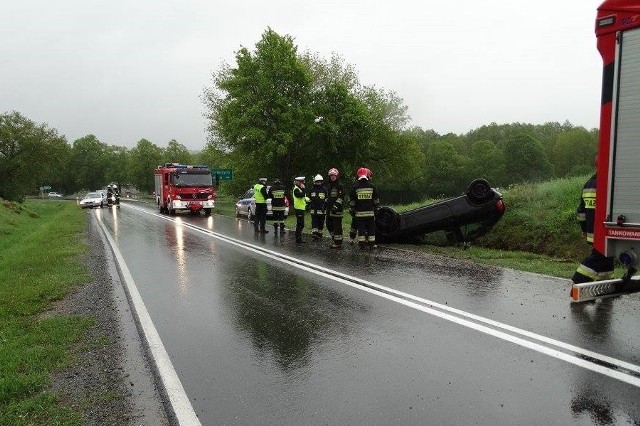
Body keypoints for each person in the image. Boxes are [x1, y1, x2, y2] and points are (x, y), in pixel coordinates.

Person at [571, 159, 614, 285]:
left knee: (606, 259)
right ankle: (578, 281)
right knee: (599, 258)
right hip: (605, 231)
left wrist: (584, 229)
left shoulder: (589, 184)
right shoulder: (608, 182)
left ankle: (603, 284)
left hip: (593, 232)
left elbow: (581, 212)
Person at [349, 167, 380, 249]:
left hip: (359, 214)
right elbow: (376, 200)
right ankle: (372, 244)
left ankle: (362, 245)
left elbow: (352, 201)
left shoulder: (355, 187)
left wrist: (351, 210)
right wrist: (377, 208)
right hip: (370, 213)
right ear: (367, 175)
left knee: (361, 230)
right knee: (371, 229)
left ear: (358, 176)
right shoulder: (372, 186)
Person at [325, 167, 345, 249]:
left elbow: (340, 198)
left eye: (334, 175)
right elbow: (327, 198)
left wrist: (335, 207)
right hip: (329, 210)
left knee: (337, 227)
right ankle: (335, 239)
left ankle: (338, 242)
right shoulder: (329, 186)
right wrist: (324, 206)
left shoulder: (340, 186)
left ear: (337, 176)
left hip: (337, 211)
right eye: (331, 176)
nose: (332, 177)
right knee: (329, 225)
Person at [308, 174, 327, 241]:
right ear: (315, 182)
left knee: (321, 223)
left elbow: (327, 199)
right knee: (314, 223)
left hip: (322, 210)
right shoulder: (312, 189)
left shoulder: (325, 190)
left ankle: (320, 235)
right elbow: (309, 199)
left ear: (321, 182)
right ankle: (315, 235)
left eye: (319, 181)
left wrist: (325, 207)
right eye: (317, 181)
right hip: (314, 211)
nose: (318, 183)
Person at [292, 177, 309, 244]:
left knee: (301, 224)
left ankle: (299, 238)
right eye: (301, 182)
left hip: (301, 208)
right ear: (297, 182)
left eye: (302, 182)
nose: (302, 183)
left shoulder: (299, 189)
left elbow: (303, 197)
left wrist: (308, 199)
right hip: (298, 209)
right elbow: (300, 196)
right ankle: (298, 239)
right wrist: (303, 189)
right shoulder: (296, 189)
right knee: (300, 224)